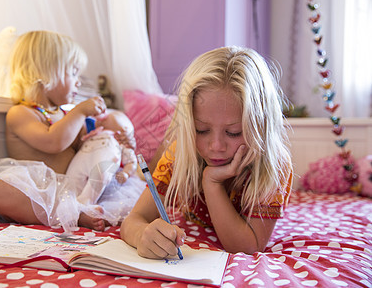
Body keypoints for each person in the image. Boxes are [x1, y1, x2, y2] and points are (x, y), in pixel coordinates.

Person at [120, 46, 293, 258]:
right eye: (201, 130)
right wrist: (141, 235)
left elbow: (248, 247)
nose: (216, 146)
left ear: (261, 127)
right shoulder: (182, 151)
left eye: (233, 132)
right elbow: (134, 219)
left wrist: (212, 183)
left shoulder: (274, 165)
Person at [0, 30, 140, 232]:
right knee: (1, 192)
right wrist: (80, 111)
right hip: (40, 188)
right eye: (73, 72)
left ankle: (79, 208)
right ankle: (71, 214)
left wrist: (121, 141)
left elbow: (88, 146)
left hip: (74, 187)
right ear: (45, 74)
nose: (79, 81)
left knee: (115, 182)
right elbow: (53, 142)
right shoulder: (20, 114)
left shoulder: (66, 115)